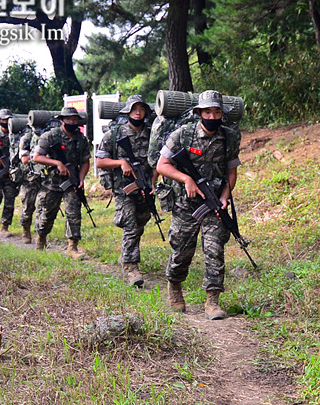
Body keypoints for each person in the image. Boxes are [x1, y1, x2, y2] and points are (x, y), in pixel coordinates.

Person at [155, 89, 241, 320]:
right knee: (182, 251)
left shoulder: (229, 137)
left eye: (216, 112)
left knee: (215, 249)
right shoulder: (183, 134)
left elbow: (231, 171)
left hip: (213, 204)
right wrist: (186, 179)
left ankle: (212, 300)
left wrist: (225, 194)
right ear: (199, 113)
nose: (212, 117)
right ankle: (174, 286)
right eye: (207, 112)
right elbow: (162, 165)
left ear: (222, 113)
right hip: (185, 204)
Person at [95, 95, 155, 287]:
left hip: (144, 187)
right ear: (127, 111)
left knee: (140, 222)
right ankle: (131, 266)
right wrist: (121, 162)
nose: (138, 112)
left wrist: (153, 183)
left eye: (141, 108)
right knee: (130, 224)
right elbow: (100, 161)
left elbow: (157, 162)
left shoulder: (151, 134)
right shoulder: (115, 135)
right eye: (134, 108)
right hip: (123, 189)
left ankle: (126, 255)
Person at [32, 106, 92, 257]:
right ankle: (41, 239)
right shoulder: (50, 136)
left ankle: (73, 247)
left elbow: (86, 161)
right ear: (62, 120)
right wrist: (57, 164)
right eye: (69, 119)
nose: (72, 121)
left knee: (74, 212)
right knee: (47, 214)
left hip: (72, 182)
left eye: (75, 119)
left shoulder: (81, 139)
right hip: (52, 182)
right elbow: (37, 157)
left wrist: (82, 178)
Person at [16, 117, 43, 244]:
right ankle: (26, 229)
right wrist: (38, 156)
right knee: (28, 207)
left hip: (44, 177)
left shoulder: (47, 137)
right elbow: (24, 159)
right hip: (30, 178)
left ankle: (40, 234)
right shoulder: (26, 139)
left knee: (42, 207)